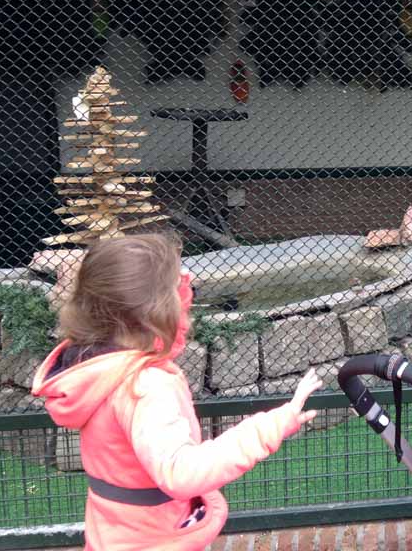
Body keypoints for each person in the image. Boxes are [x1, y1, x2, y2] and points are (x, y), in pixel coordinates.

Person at [32, 235, 322, 551]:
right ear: (154, 310)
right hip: (156, 541)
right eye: (174, 290)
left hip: (115, 535)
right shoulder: (145, 385)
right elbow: (182, 473)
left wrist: (171, 291)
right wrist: (270, 426)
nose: (184, 295)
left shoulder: (94, 368)